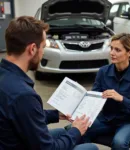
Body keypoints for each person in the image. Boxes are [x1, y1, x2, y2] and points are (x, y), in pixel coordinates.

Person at [0, 16, 99, 150]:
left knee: (65, 133)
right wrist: (76, 130)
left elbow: (25, 116)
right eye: (44, 46)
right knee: (90, 147)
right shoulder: (23, 95)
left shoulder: (5, 76)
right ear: (32, 49)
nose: (43, 51)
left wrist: (56, 115)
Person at [82, 33, 130, 150]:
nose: (112, 53)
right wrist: (86, 98)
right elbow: (94, 99)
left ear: (129, 53)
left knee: (119, 142)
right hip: (107, 119)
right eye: (111, 48)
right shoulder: (103, 72)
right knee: (79, 130)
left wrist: (122, 99)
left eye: (117, 50)